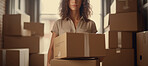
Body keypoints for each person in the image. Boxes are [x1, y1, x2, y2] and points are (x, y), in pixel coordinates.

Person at [47, 0, 97, 66]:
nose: (74, 1)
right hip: (63, 64)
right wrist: (48, 64)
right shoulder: (58, 23)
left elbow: (95, 49)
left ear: (82, 1)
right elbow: (52, 48)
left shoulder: (90, 24)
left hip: (84, 64)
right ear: (66, 1)